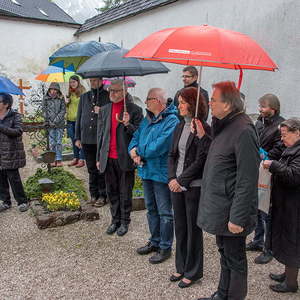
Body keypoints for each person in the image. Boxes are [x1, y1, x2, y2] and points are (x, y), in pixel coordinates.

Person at [196, 81, 260, 300]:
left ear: (228, 104)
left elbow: (247, 179)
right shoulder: (225, 125)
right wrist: (206, 133)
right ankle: (221, 295)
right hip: (221, 207)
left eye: (213, 100)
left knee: (235, 260)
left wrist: (237, 217)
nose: (209, 103)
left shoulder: (243, 130)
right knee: (224, 254)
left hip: (232, 211)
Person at [129, 88, 179, 264]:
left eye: (148, 99)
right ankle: (155, 241)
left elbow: (160, 146)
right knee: (151, 209)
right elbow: (135, 137)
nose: (146, 102)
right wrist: (132, 151)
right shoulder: (147, 119)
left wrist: (139, 152)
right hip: (146, 170)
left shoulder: (172, 120)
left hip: (161, 172)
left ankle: (165, 247)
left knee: (165, 212)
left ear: (158, 100)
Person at [168, 87, 211, 288]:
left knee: (193, 230)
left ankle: (193, 271)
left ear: (192, 104)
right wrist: (171, 178)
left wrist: (182, 180)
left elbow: (202, 159)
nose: (179, 106)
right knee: (180, 227)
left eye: (182, 102)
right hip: (176, 184)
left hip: (193, 186)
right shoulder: (179, 127)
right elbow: (172, 155)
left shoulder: (204, 128)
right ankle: (181, 265)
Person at [96, 79, 143, 236]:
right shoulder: (104, 110)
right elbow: (100, 136)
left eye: (115, 91)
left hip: (125, 157)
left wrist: (127, 124)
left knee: (125, 191)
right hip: (108, 157)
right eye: (110, 90)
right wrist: (98, 157)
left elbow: (140, 135)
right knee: (112, 191)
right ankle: (114, 220)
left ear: (125, 92)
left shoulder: (135, 110)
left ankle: (124, 221)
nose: (112, 93)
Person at [246, 94, 285, 265]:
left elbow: (281, 149)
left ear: (273, 109)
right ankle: (258, 240)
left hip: (270, 172)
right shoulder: (260, 122)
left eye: (263, 107)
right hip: (257, 169)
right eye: (260, 106)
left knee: (266, 212)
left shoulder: (280, 126)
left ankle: (269, 249)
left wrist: (266, 154)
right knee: (256, 208)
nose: (260, 109)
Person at [263, 118, 300, 294]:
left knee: (292, 243)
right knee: (287, 240)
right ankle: (287, 274)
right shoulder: (292, 148)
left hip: (294, 207)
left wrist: (273, 165)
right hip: (287, 204)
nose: (282, 139)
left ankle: (291, 284)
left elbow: (294, 175)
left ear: (297, 133)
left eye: (285, 135)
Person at [75, 78, 110, 207]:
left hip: (100, 138)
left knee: (100, 167)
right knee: (90, 168)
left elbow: (110, 116)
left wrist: (101, 111)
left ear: (101, 81)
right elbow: (79, 117)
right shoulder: (84, 97)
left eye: (95, 80)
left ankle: (102, 195)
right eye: (91, 80)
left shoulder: (107, 96)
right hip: (86, 137)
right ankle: (93, 194)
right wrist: (78, 137)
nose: (93, 83)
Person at [0, 93, 29, 213]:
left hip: (11, 152)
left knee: (14, 178)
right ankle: (5, 202)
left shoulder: (15, 116)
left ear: (6, 104)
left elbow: (18, 131)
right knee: (1, 178)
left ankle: (22, 202)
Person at [42, 82, 66, 167]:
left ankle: (58, 159)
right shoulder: (46, 98)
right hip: (49, 124)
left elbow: (63, 110)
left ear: (58, 90)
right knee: (52, 142)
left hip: (59, 124)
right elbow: (44, 110)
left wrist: (55, 121)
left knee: (58, 142)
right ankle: (52, 159)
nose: (53, 91)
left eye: (55, 89)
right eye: (52, 89)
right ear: (49, 90)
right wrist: (49, 121)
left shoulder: (61, 98)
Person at [66, 75, 86, 168]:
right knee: (73, 139)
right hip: (70, 120)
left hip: (80, 120)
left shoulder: (83, 92)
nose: (72, 84)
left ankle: (82, 159)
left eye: (74, 82)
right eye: (70, 82)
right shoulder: (70, 93)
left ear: (78, 82)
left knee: (80, 140)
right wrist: (66, 102)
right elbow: (68, 107)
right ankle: (75, 158)